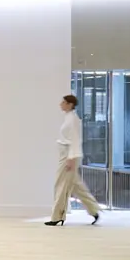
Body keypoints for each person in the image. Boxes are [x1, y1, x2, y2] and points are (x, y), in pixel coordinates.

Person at [45, 94, 101, 226]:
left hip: (69, 156)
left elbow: (75, 140)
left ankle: (57, 216)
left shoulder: (73, 119)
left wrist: (71, 159)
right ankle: (94, 210)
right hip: (67, 155)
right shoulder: (69, 117)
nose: (61, 104)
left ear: (70, 105)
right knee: (76, 186)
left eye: (63, 102)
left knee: (61, 185)